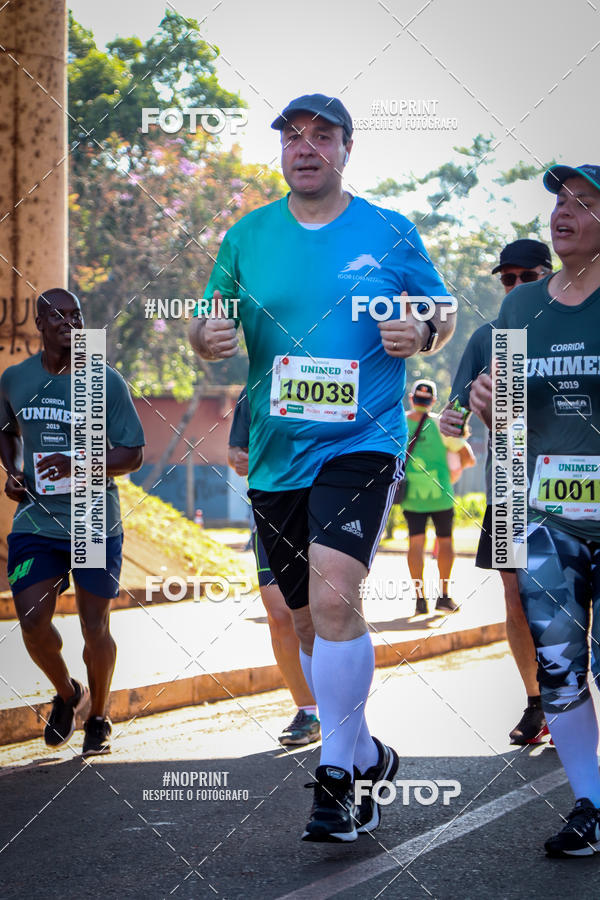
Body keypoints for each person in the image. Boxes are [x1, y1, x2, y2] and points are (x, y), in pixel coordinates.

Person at [190, 93, 456, 843]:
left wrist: (423, 330)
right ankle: (368, 753)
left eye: (322, 136)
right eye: (292, 137)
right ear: (282, 151)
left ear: (346, 149)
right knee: (305, 617)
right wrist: (204, 338)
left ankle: (336, 777)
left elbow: (442, 309)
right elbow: (207, 322)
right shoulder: (247, 235)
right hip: (277, 456)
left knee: (336, 592)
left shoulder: (389, 230)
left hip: (362, 440)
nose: (305, 148)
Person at [468, 165, 600, 857]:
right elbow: (512, 422)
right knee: (559, 667)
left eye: (584, 203)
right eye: (559, 202)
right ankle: (590, 805)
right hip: (550, 518)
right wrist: (494, 409)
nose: (563, 213)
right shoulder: (520, 309)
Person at [0, 288, 145, 756]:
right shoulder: (16, 379)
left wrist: (78, 464)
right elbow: (6, 429)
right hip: (36, 521)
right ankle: (68, 694)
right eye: (58, 315)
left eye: (76, 315)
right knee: (31, 619)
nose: (69, 322)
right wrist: (13, 470)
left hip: (92, 519)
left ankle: (98, 717)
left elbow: (132, 454)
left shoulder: (105, 381)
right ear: (39, 324)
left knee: (94, 626)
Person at [440, 238, 553, 745]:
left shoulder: (576, 324)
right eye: (508, 279)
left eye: (527, 277)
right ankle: (537, 701)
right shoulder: (489, 338)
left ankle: (572, 695)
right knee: (516, 596)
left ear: (549, 274)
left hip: (576, 485)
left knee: (577, 596)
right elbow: (455, 414)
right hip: (508, 482)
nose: (516, 285)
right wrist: (454, 419)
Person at [228, 387, 320, 746]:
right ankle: (308, 710)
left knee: (328, 611)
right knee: (280, 613)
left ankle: (341, 704)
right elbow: (237, 452)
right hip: (274, 509)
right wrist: (241, 459)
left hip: (326, 505)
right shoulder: (256, 387)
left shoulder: (333, 369)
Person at [402, 379, 475, 616]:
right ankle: (443, 597)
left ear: (411, 398)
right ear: (433, 401)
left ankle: (419, 600)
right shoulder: (440, 425)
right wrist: (454, 471)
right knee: (445, 542)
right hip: (441, 495)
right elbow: (469, 457)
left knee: (415, 543)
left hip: (411, 495)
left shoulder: (399, 422)